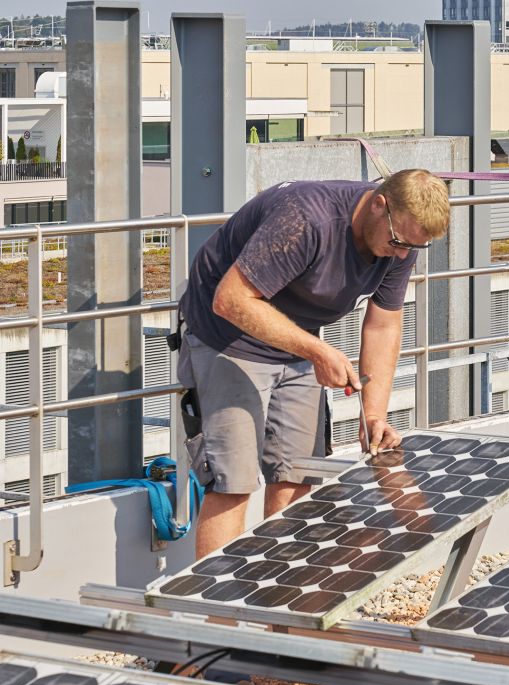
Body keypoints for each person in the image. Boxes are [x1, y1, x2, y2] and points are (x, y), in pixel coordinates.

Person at [176, 169, 451, 558]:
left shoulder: (400, 241)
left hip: (297, 343)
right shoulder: (306, 219)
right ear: (379, 204)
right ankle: (218, 615)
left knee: (296, 476)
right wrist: (317, 351)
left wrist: (372, 415)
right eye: (398, 242)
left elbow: (384, 324)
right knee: (231, 482)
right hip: (228, 336)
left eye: (414, 248)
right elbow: (231, 300)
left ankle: (280, 606)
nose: (403, 254)